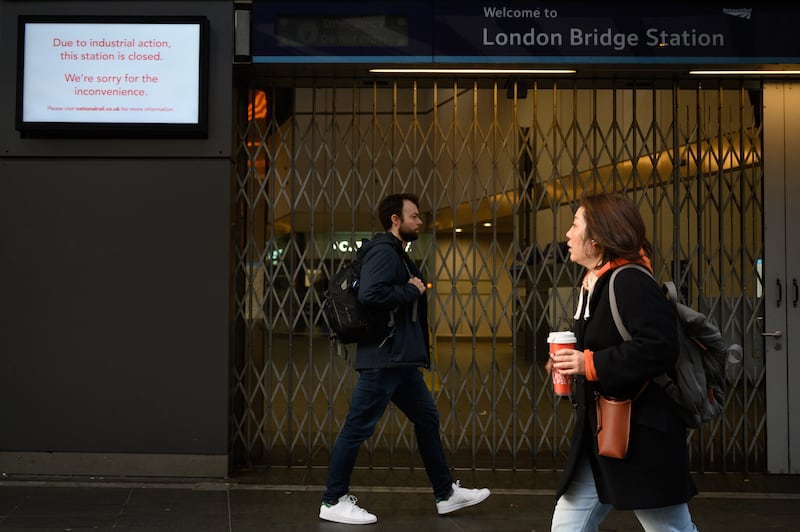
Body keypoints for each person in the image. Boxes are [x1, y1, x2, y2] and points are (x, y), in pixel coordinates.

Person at [319, 193, 491, 525]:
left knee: (426, 418)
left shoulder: (396, 252)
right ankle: (332, 500)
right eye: (414, 216)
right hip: (385, 359)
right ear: (395, 220)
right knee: (356, 428)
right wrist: (412, 289)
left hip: (399, 362)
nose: (420, 221)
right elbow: (371, 294)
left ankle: (446, 493)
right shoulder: (385, 251)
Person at [549, 192, 698, 532]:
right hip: (604, 434)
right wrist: (574, 363)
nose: (568, 235)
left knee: (669, 527)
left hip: (640, 436)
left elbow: (660, 346)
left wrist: (590, 363)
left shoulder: (629, 280)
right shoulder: (595, 283)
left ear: (597, 238)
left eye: (575, 225)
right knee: (567, 526)